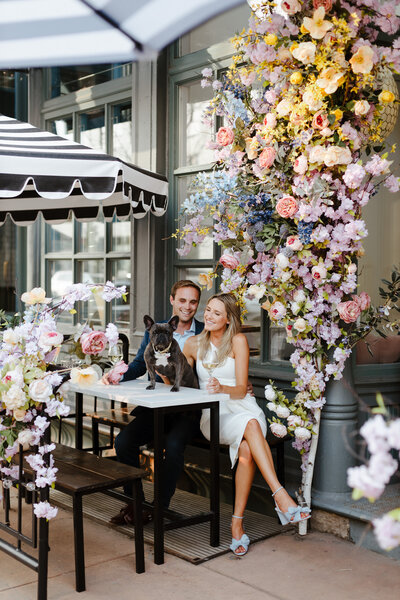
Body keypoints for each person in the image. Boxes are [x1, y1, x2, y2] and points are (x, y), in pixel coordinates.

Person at [183, 292, 311, 556]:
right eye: (208, 310)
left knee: (247, 446)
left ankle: (237, 523)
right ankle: (281, 496)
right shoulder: (192, 344)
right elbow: (181, 383)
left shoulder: (238, 341)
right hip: (213, 416)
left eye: (217, 313)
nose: (209, 316)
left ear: (228, 319)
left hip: (242, 406)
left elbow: (241, 389)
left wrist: (222, 387)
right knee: (250, 427)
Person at [102, 280, 204, 525]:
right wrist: (117, 375)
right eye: (182, 300)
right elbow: (139, 364)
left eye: (193, 302)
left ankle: (159, 508)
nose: (187, 307)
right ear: (172, 300)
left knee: (173, 445)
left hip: (187, 411)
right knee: (123, 442)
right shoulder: (156, 329)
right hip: (157, 407)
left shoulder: (205, 331)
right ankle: (135, 503)